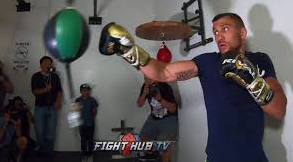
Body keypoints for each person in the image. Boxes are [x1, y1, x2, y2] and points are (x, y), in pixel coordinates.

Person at [99, 13, 287, 162]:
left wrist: (250, 79)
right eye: (215, 31)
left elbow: (278, 110)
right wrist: (128, 50)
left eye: (225, 28)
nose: (218, 35)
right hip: (216, 158)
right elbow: (162, 72)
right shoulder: (207, 62)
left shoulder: (260, 60)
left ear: (242, 33)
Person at [137, 76, 178, 162]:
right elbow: (139, 104)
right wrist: (144, 93)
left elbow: (173, 109)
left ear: (155, 77)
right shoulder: (146, 86)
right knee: (142, 138)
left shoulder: (165, 87)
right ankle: (152, 153)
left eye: (149, 78)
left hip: (169, 118)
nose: (147, 81)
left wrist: (159, 98)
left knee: (164, 145)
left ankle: (162, 157)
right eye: (145, 78)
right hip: (154, 117)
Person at [31, 56, 62, 158]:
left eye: (49, 63)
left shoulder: (55, 76)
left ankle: (49, 155)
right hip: (40, 108)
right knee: (39, 132)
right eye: (45, 63)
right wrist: (46, 89)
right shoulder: (35, 76)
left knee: (51, 134)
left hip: (53, 108)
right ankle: (42, 152)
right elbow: (35, 91)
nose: (48, 65)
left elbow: (59, 90)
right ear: (41, 64)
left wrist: (58, 101)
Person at [74, 83, 98, 159]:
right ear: (81, 92)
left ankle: (90, 153)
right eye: (84, 90)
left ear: (89, 91)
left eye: (87, 90)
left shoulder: (92, 100)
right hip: (81, 124)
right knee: (83, 139)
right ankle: (84, 153)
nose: (86, 92)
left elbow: (95, 110)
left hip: (90, 123)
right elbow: (75, 112)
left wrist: (92, 117)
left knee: (90, 138)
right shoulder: (77, 100)